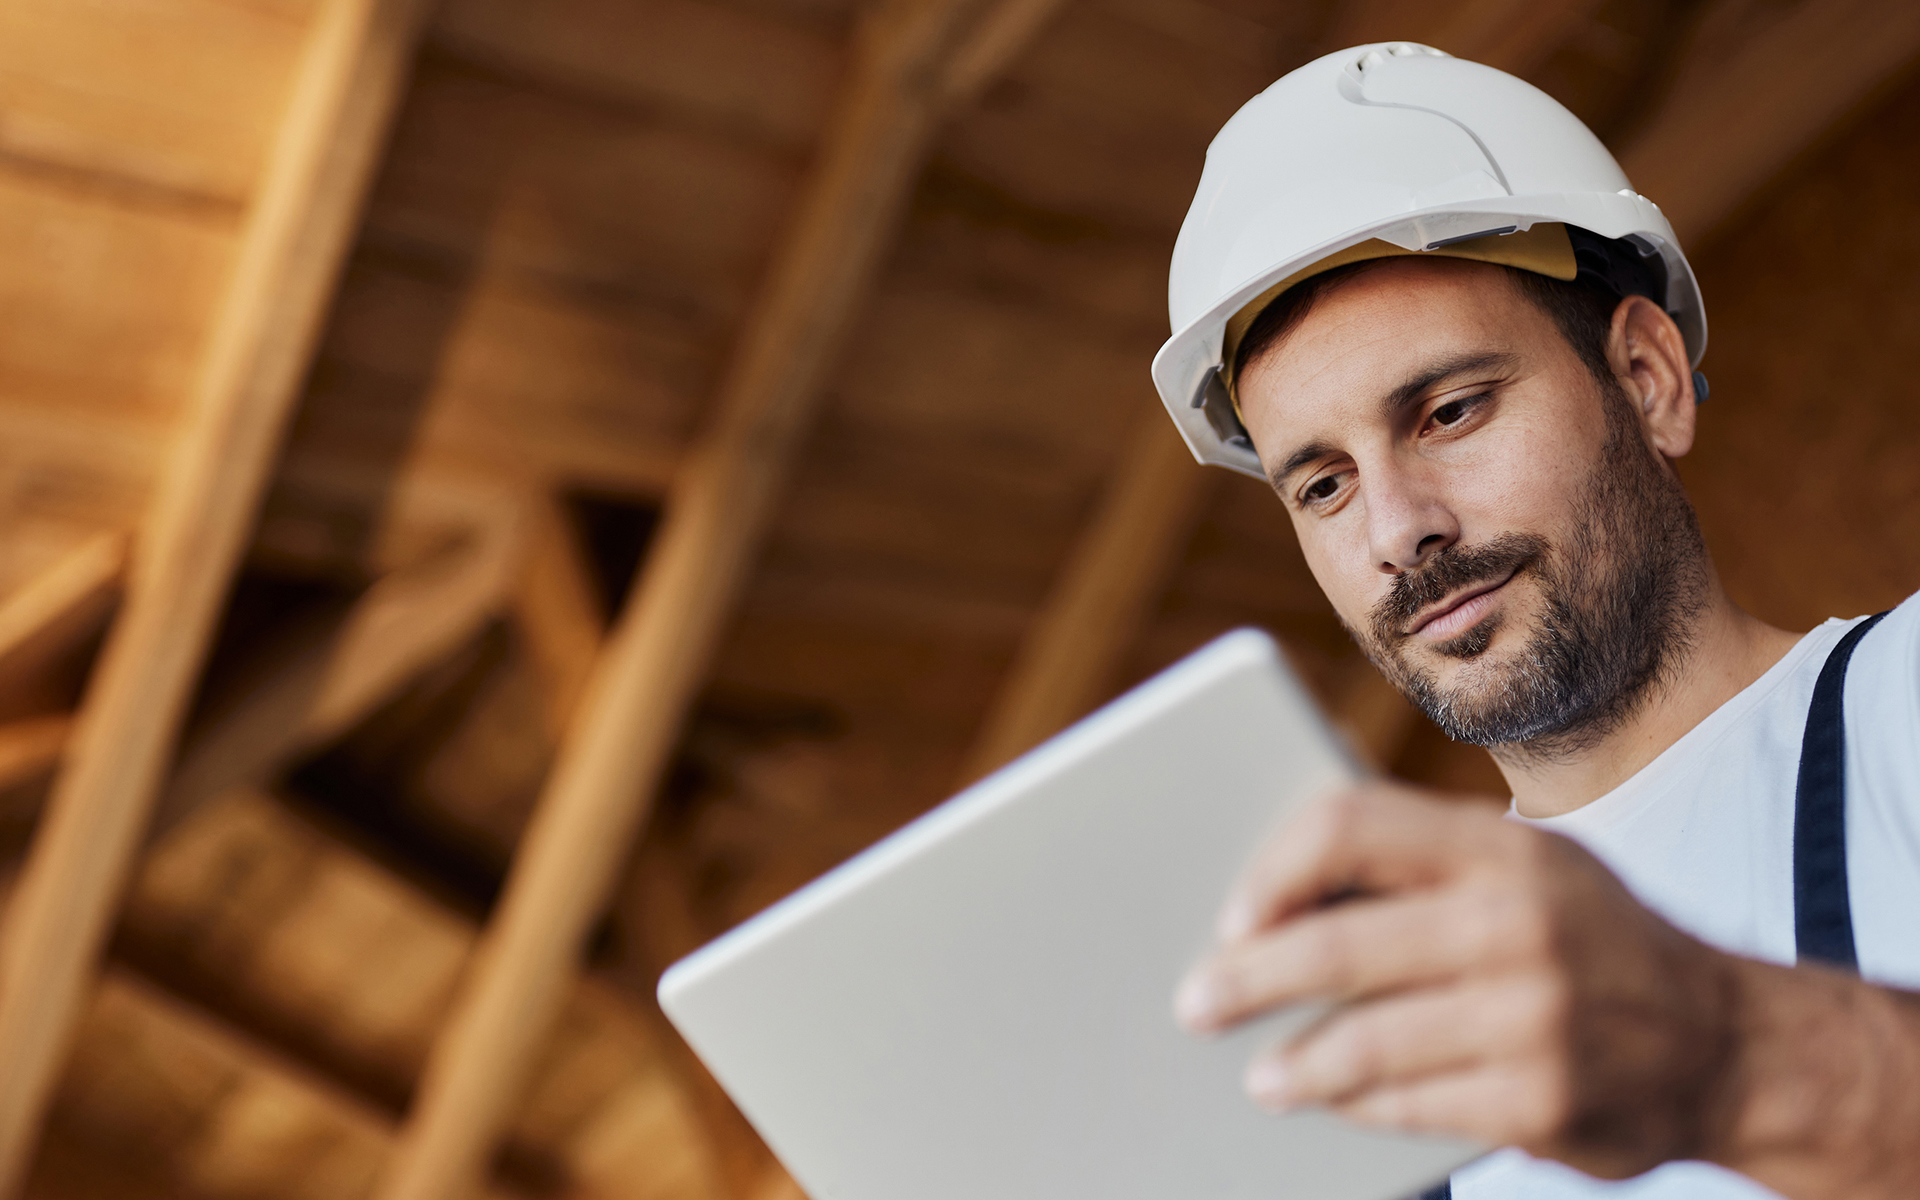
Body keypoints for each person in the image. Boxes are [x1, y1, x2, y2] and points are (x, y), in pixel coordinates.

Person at [1150, 43, 1920, 1200]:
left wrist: (1735, 1057)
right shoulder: (1380, 1028)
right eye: (1323, 484)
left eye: (1451, 411)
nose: (1396, 530)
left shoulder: (1901, 707)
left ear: (1649, 379)